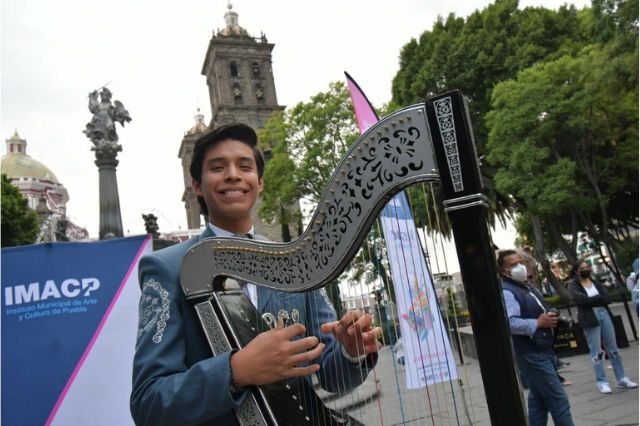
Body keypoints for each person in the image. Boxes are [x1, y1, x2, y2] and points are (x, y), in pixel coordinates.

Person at [130, 123, 382, 426]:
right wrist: (236, 370)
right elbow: (148, 402)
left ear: (259, 182)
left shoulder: (292, 264)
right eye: (218, 167)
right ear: (196, 184)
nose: (233, 174)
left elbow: (330, 376)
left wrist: (350, 352)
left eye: (244, 166)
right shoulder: (168, 268)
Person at [498, 249, 575, 426]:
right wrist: (537, 323)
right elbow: (510, 323)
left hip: (543, 349)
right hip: (531, 353)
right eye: (513, 265)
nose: (519, 267)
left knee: (538, 400)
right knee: (558, 399)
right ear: (503, 271)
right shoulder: (508, 291)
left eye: (520, 263)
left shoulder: (527, 287)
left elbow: (542, 308)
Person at [568, 260, 638, 394]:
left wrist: (595, 299)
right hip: (590, 317)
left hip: (604, 313)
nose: (586, 269)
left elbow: (608, 298)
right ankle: (602, 381)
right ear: (577, 271)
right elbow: (581, 301)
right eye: (583, 268)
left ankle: (621, 377)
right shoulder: (574, 285)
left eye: (588, 267)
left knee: (614, 348)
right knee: (596, 351)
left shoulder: (595, 282)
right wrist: (598, 298)